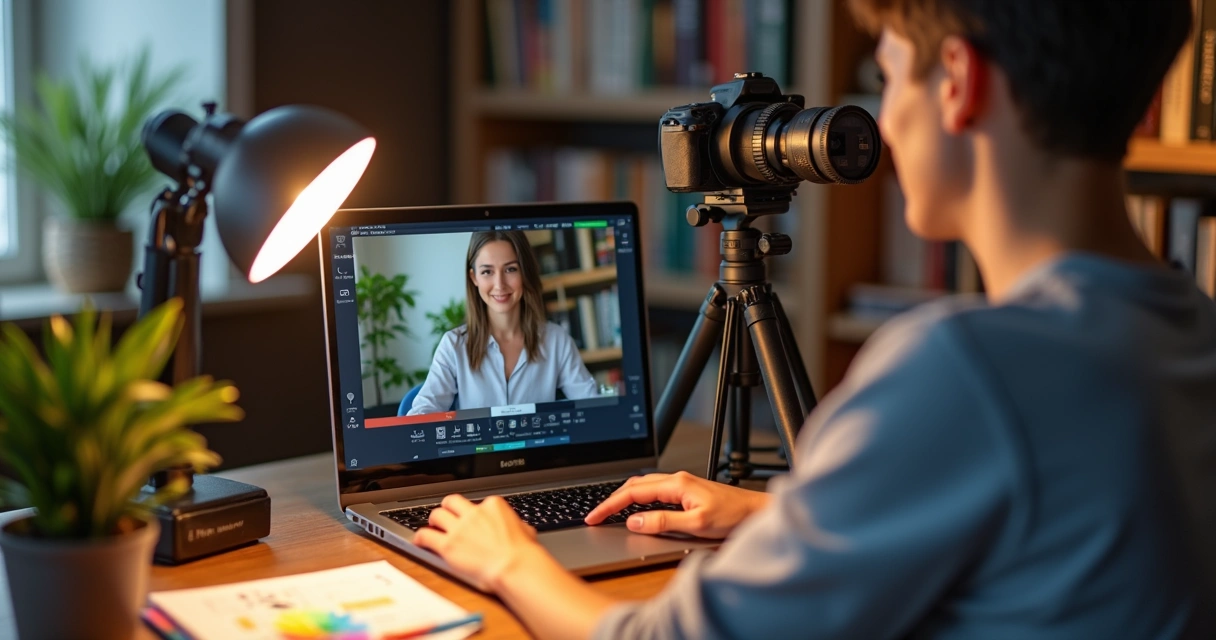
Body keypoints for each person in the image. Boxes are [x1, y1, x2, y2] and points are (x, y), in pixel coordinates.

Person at [413, 1, 1216, 637]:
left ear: (957, 82)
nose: (883, 122)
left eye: (888, 77)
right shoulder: (1190, 329)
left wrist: (509, 559)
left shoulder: (964, 368)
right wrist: (780, 516)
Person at [407, 230, 598, 415]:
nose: (499, 284)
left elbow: (592, 405)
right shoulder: (453, 345)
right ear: (474, 277)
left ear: (525, 272)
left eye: (510, 269)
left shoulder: (556, 340)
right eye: (487, 272)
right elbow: (423, 413)